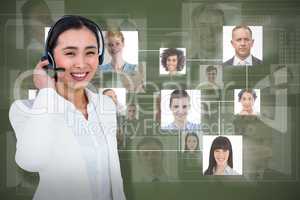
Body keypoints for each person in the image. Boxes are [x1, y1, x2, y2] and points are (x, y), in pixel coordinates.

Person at [9, 15, 125, 200]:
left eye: (90, 52)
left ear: (100, 57)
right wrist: (47, 93)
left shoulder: (105, 105)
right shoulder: (26, 109)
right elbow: (31, 161)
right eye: (70, 53)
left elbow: (113, 178)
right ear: (50, 58)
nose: (81, 63)